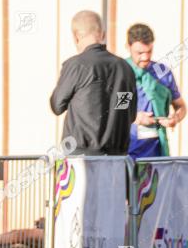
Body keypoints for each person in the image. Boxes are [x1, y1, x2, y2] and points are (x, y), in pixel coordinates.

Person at [50, 10, 137, 155]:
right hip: (116, 159)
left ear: (76, 36)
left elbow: (57, 105)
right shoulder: (125, 68)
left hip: (80, 159)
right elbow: (127, 112)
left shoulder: (76, 66)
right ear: (102, 34)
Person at [125, 23, 187, 159]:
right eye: (140, 53)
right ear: (128, 47)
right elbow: (117, 111)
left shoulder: (163, 73)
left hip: (157, 150)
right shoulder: (122, 72)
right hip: (127, 150)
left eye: (149, 51)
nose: (145, 57)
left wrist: (175, 118)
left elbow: (181, 106)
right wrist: (136, 117)